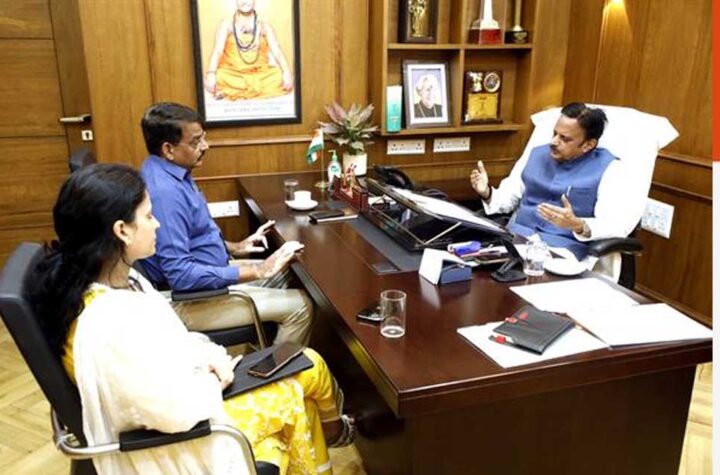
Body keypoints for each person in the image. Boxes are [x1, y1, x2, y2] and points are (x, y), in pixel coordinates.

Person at [27, 164, 354, 474]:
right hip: (185, 441)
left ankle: (328, 441)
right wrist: (216, 373)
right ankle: (334, 435)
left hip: (195, 393)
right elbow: (175, 413)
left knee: (305, 366)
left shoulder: (121, 280)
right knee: (301, 384)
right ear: (122, 231)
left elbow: (176, 342)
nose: (157, 224)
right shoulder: (109, 326)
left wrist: (209, 357)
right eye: (149, 216)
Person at [139, 102, 312, 345]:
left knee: (289, 271)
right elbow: (180, 275)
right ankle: (276, 368)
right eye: (196, 142)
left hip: (204, 278)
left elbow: (194, 236)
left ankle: (265, 351)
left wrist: (235, 247)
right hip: (189, 300)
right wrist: (258, 270)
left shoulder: (172, 172)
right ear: (168, 149)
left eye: (203, 138)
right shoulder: (165, 193)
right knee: (301, 305)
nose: (205, 146)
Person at [470, 102, 633, 260]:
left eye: (565, 139)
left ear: (588, 145)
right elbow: (509, 197)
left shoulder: (610, 168)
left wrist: (577, 224)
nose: (554, 141)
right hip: (515, 242)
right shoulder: (536, 154)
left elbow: (613, 224)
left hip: (562, 252)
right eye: (554, 133)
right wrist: (487, 192)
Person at [204, 0, 294, 101]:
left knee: (278, 76)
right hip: (234, 72)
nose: (245, 2)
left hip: (260, 73)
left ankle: (233, 90)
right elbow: (218, 51)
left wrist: (286, 72)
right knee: (220, 76)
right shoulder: (227, 24)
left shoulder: (264, 26)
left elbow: (277, 51)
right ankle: (248, 90)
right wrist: (211, 73)